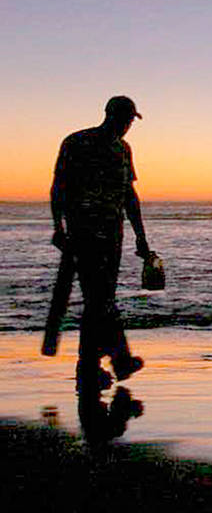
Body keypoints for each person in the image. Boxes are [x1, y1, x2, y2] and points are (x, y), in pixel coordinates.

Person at [50, 95, 154, 386]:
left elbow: (129, 196)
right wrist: (58, 227)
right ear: (111, 115)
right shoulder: (77, 142)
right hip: (83, 232)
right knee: (100, 297)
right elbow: (59, 186)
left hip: (113, 234)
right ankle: (112, 361)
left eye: (130, 121)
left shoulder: (123, 149)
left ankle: (95, 366)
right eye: (126, 120)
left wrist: (141, 237)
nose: (127, 125)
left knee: (100, 299)